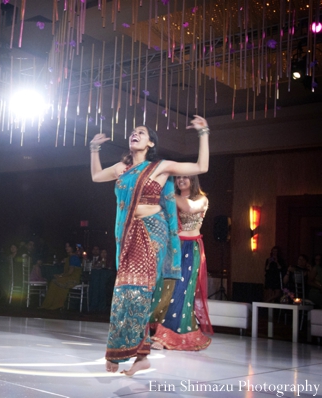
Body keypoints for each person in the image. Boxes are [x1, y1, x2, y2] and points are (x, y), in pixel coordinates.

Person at [90, 115, 209, 375]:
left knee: (140, 291)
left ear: (150, 142)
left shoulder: (160, 167)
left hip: (153, 233)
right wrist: (94, 149)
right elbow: (97, 176)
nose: (135, 134)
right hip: (128, 234)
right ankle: (139, 354)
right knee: (125, 290)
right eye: (133, 132)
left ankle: (130, 352)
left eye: (141, 132)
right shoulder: (121, 169)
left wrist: (203, 133)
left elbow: (201, 166)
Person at [150, 175, 213, 351]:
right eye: (178, 178)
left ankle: (167, 336)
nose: (181, 181)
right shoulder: (171, 199)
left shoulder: (201, 199)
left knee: (180, 291)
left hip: (189, 250)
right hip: (172, 248)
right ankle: (155, 330)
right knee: (163, 289)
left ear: (194, 181)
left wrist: (167, 190)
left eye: (186, 177)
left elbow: (188, 207)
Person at [40, 243, 83, 310]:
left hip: (73, 278)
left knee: (57, 281)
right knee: (54, 281)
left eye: (68, 246)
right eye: (66, 246)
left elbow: (70, 272)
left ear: (72, 248)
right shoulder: (69, 258)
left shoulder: (74, 257)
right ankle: (48, 305)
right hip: (68, 277)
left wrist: (61, 276)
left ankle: (57, 305)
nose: (67, 248)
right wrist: (60, 275)